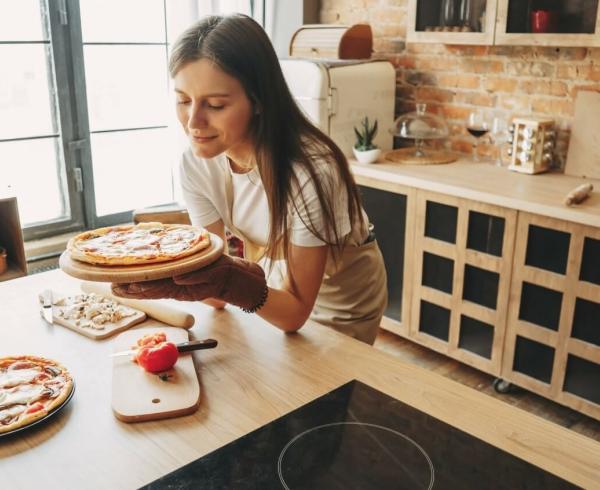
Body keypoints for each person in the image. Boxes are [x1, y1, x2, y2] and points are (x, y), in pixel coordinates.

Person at [112, 14, 387, 345]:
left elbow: (294, 314)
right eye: (183, 100)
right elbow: (216, 299)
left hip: (341, 301)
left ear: (258, 101)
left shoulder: (311, 171)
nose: (193, 122)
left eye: (215, 104)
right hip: (277, 281)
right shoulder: (196, 164)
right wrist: (176, 276)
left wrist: (226, 281)